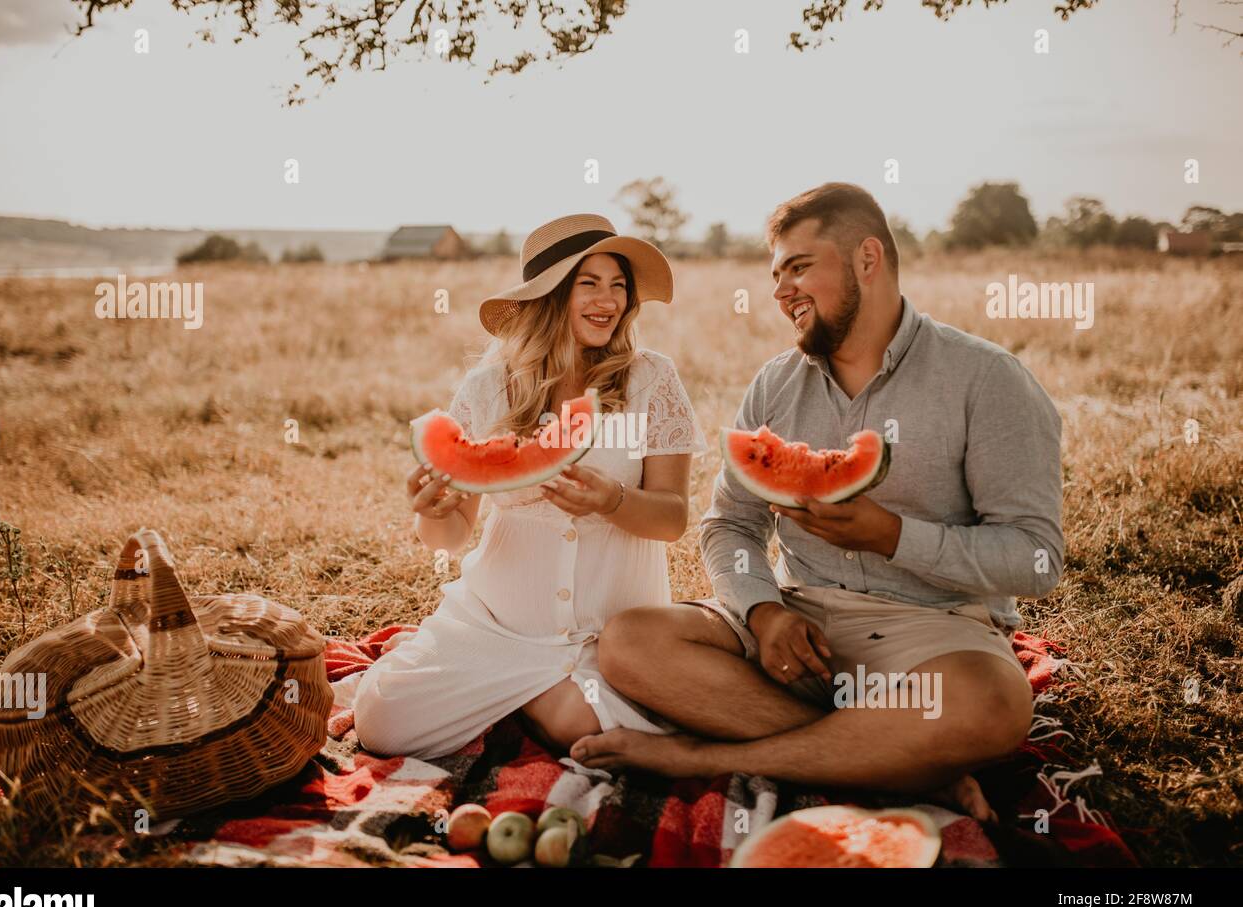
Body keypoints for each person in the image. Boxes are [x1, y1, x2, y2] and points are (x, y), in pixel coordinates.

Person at [570, 183, 1063, 823]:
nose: (780, 291)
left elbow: (1036, 559)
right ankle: (897, 760)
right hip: (798, 624)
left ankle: (699, 758)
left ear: (867, 258)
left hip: (934, 632)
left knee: (995, 703)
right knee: (630, 641)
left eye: (799, 267)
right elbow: (729, 526)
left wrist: (891, 536)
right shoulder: (776, 383)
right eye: (776, 275)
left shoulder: (987, 380)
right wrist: (764, 610)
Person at [352, 213, 708, 760]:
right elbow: (452, 535)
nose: (608, 299)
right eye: (588, 283)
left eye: (618, 285)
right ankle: (508, 685)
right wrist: (431, 510)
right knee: (381, 724)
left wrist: (611, 501)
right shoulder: (489, 389)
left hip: (606, 637)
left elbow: (672, 519)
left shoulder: (651, 381)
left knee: (603, 735)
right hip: (496, 627)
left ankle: (518, 699)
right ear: (550, 295)